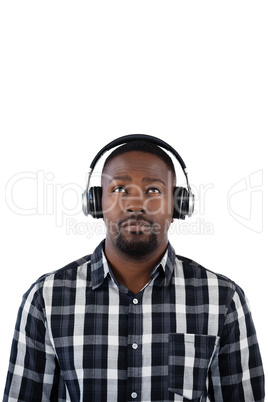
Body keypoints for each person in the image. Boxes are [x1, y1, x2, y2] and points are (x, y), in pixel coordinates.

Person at [3, 135, 265, 401]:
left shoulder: (222, 299)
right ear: (95, 203)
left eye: (153, 190)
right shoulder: (46, 298)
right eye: (119, 189)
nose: (135, 204)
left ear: (178, 205)